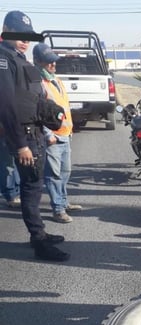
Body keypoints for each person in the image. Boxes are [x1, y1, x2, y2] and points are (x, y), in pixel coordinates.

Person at [0, 10, 69, 261]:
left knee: (35, 187)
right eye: (18, 34)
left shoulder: (18, 58)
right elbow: (6, 105)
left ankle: (37, 234)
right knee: (31, 190)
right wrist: (20, 145)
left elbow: (31, 98)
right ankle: (39, 242)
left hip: (35, 133)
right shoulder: (4, 59)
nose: (24, 40)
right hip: (24, 137)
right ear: (6, 29)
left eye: (26, 35)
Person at [33, 42, 81, 223]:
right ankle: (58, 209)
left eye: (54, 61)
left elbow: (63, 108)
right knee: (53, 175)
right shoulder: (38, 83)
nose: (53, 65)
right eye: (48, 62)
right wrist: (48, 134)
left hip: (65, 134)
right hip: (52, 137)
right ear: (38, 61)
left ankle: (64, 201)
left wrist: (70, 129)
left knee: (65, 171)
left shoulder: (56, 80)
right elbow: (38, 111)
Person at [0, 132, 20, 207]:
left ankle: (15, 193)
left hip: (17, 133)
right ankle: (10, 195)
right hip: (5, 132)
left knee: (15, 164)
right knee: (8, 165)